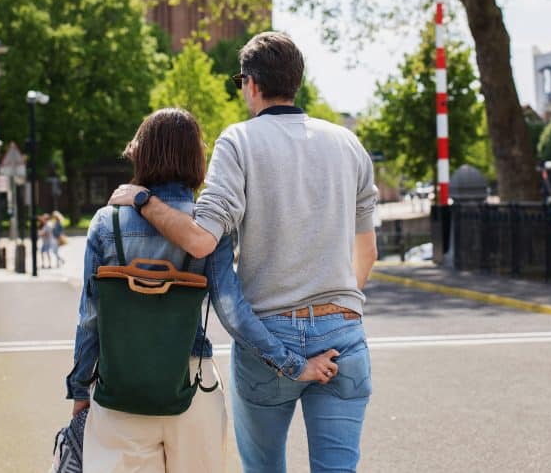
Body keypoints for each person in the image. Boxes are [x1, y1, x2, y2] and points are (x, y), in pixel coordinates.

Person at [111, 32, 378, 472]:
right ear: (296, 81)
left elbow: (200, 240)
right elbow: (365, 252)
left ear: (250, 84)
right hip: (342, 334)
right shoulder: (348, 144)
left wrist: (142, 199)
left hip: (270, 336)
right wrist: (338, 309)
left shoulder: (239, 142)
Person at [67, 108, 334, 472]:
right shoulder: (207, 228)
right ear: (197, 160)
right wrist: (294, 365)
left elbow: (90, 318)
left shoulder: (106, 222)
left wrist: (81, 389)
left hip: (120, 392)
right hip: (193, 385)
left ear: (141, 154)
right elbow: (233, 312)